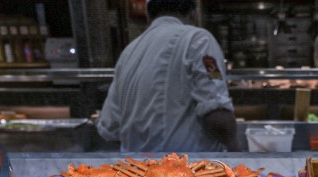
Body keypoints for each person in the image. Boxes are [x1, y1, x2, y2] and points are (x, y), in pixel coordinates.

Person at [97, 0, 238, 152]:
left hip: (136, 171)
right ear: (193, 13)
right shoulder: (199, 39)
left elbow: (110, 128)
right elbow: (217, 116)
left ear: (148, 15)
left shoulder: (129, 51)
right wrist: (237, 152)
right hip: (186, 169)